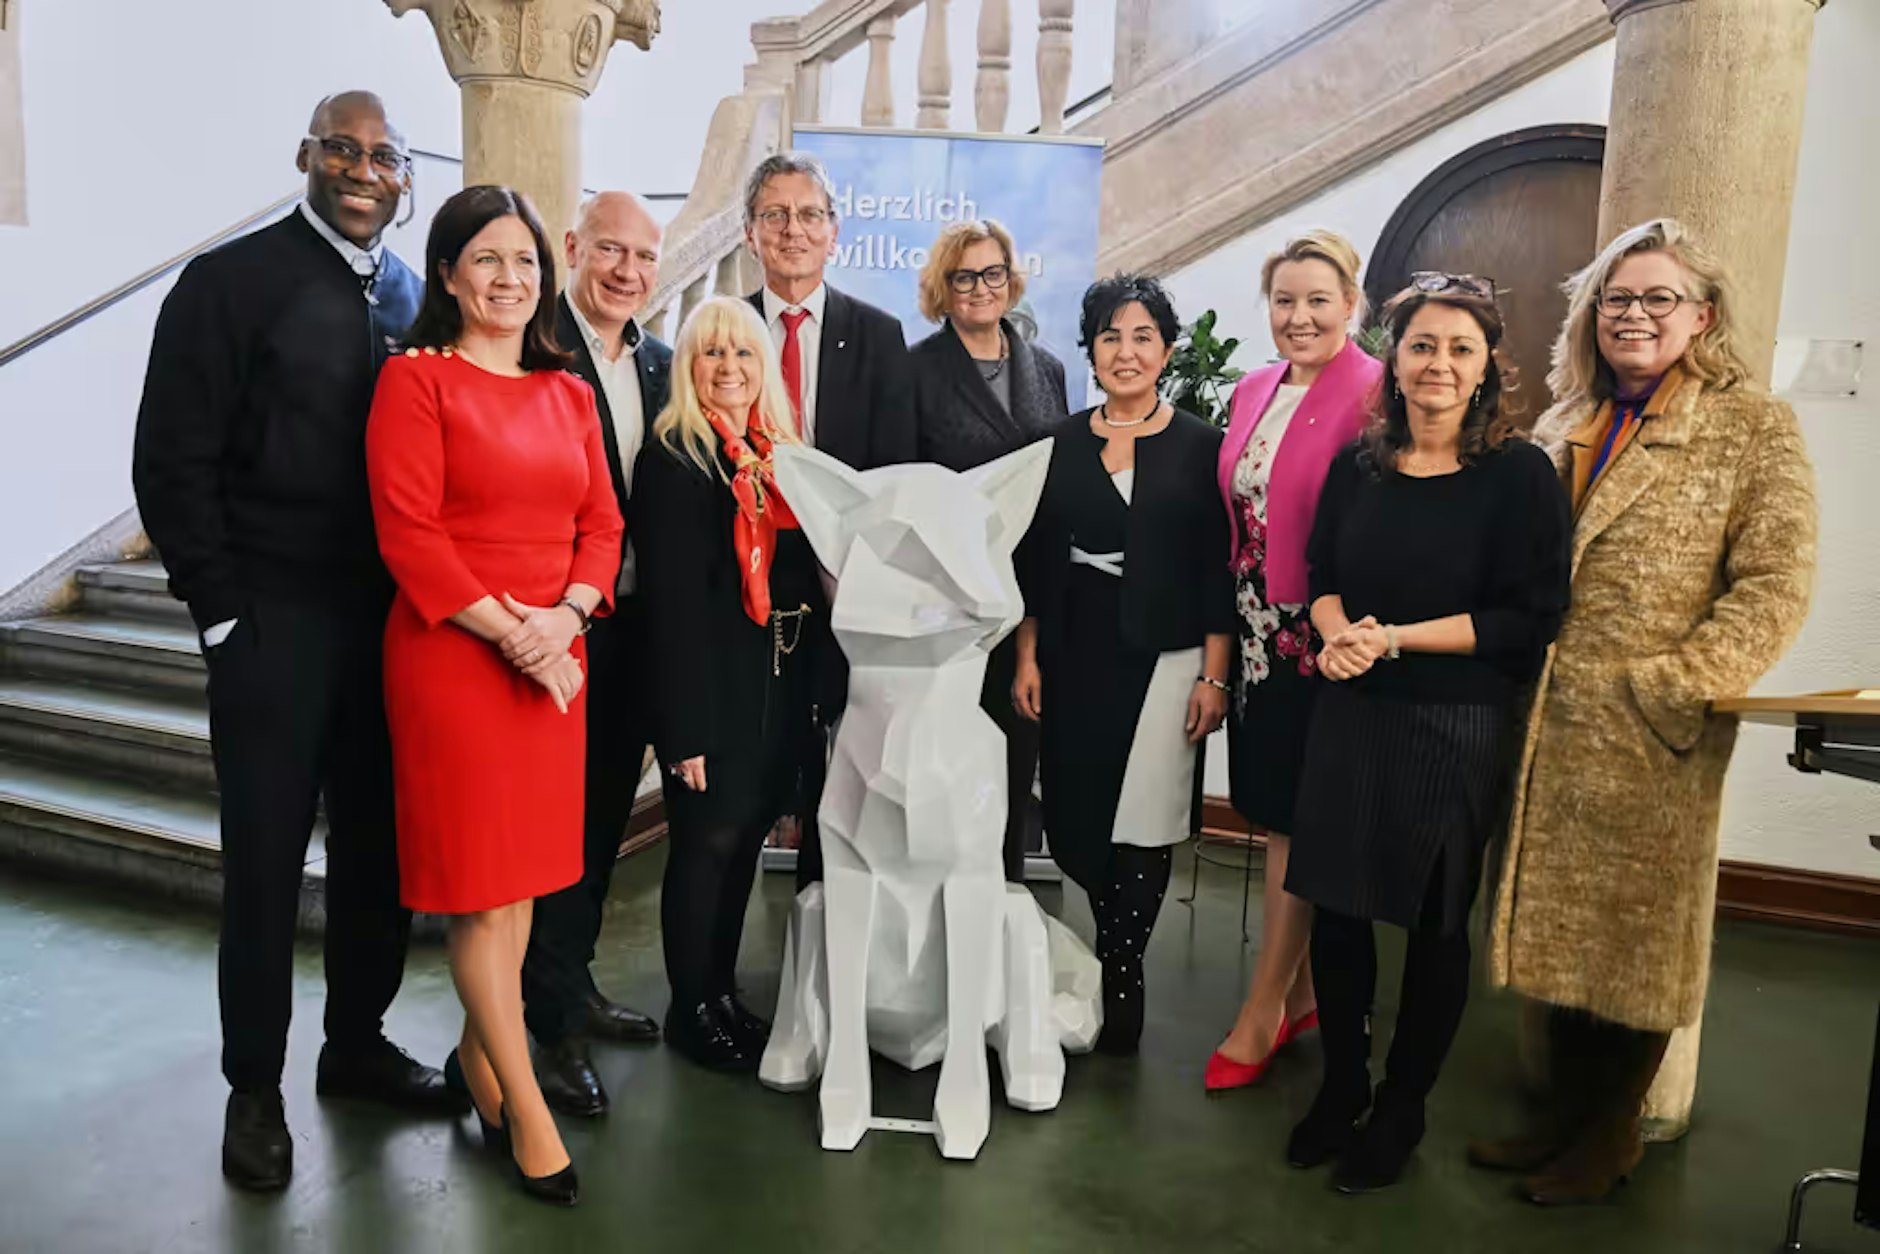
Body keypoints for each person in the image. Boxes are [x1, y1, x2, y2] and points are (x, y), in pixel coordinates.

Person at [130, 90, 464, 1194]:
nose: (363, 168)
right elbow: (171, 464)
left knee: (377, 860)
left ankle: (355, 1046)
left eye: (384, 155)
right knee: (267, 868)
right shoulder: (228, 284)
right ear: (306, 156)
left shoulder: (416, 297)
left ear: (405, 176)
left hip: (392, 639)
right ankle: (252, 1089)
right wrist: (223, 615)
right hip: (272, 629)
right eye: (343, 149)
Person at [1475, 218, 1818, 1206]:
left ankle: (1609, 1136)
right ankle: (1559, 1119)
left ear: (1699, 316)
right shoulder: (1562, 422)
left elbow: (1773, 580)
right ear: (1590, 316)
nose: (1633, 315)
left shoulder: (1748, 425)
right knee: (1560, 936)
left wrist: (1678, 680)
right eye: (1616, 299)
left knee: (1635, 942)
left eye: (1656, 298)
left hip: (1649, 726)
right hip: (1548, 720)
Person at [1280, 275, 1571, 1194]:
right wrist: (1335, 637)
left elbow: (1531, 616)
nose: (1438, 364)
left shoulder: (1519, 474)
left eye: (1460, 349)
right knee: (1338, 906)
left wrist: (1393, 638)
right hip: (1353, 708)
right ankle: (1341, 1089)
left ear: (1487, 368)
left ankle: (1402, 1107)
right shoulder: (1360, 466)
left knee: (1436, 923)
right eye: (1421, 346)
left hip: (1454, 720)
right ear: (1393, 358)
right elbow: (1321, 573)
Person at [366, 185, 624, 1205]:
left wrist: (564, 619)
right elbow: (408, 537)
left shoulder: (564, 391)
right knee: (478, 893)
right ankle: (526, 1105)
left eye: (524, 261)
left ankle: (481, 1061)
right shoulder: (414, 382)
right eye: (486, 260)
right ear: (445, 274)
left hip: (553, 660)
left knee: (518, 886)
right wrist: (518, 634)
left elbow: (602, 525)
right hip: (452, 656)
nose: (509, 279)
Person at [1014, 275, 1234, 1056]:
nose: (1127, 351)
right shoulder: (1060, 442)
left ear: (1167, 350)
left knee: (1144, 821)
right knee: (1076, 821)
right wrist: (1029, 655)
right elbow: (1038, 560)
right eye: (1111, 336)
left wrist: (1215, 674)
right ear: (1091, 351)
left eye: (1143, 336)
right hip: (1074, 652)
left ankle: (1123, 967)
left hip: (1168, 656)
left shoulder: (1203, 446)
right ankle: (1110, 934)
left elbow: (1218, 570)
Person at [1205, 230, 1382, 1092]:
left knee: (1294, 824)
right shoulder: (1252, 388)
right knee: (1274, 810)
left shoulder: (1378, 391)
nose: (1299, 316)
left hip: (1327, 639)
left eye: (1319, 299)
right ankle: (1303, 990)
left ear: (1353, 302)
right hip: (1254, 634)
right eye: (1284, 300)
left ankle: (1264, 1004)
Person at [634, 296, 829, 1072]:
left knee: (744, 844)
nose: (728, 369)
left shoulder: (774, 457)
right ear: (689, 366)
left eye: (743, 354)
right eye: (711, 354)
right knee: (704, 850)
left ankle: (719, 995)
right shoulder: (674, 459)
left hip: (772, 692)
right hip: (710, 696)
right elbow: (672, 612)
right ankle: (690, 1010)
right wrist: (684, 732)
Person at [516, 191, 672, 1119]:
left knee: (601, 820)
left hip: (635, 629)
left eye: (644, 257)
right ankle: (544, 1032)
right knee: (544, 833)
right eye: (609, 249)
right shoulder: (533, 346)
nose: (626, 271)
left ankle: (572, 986)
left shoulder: (657, 361)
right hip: (552, 629)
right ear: (572, 247)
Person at [741, 151, 916, 888]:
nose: (793, 230)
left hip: (846, 587)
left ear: (834, 232)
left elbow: (894, 468)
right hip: (746, 589)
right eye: (775, 214)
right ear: (750, 232)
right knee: (749, 781)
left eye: (809, 214)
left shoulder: (876, 335)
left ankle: (826, 943)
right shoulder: (726, 330)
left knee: (842, 778)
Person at [910, 218, 1070, 881]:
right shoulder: (915, 370)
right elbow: (904, 492)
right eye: (964, 276)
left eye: (992, 272)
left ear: (1011, 278)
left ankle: (997, 908)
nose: (980, 288)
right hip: (944, 610)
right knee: (941, 772)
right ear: (943, 288)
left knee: (1010, 766)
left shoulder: (1049, 370)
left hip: (1024, 606)